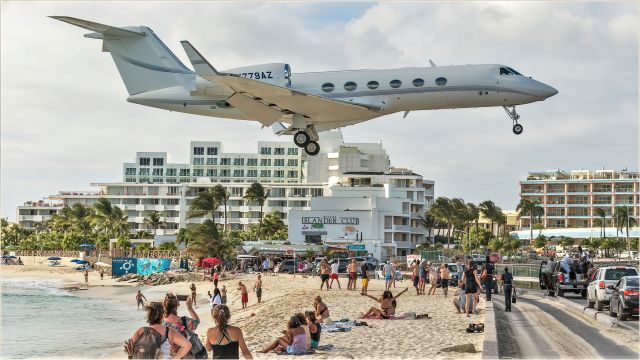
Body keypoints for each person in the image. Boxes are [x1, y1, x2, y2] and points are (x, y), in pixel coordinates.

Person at [162, 293, 201, 357]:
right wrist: (189, 307)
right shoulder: (184, 321)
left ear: (165, 305)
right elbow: (196, 321)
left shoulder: (161, 323)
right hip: (187, 355)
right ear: (178, 305)